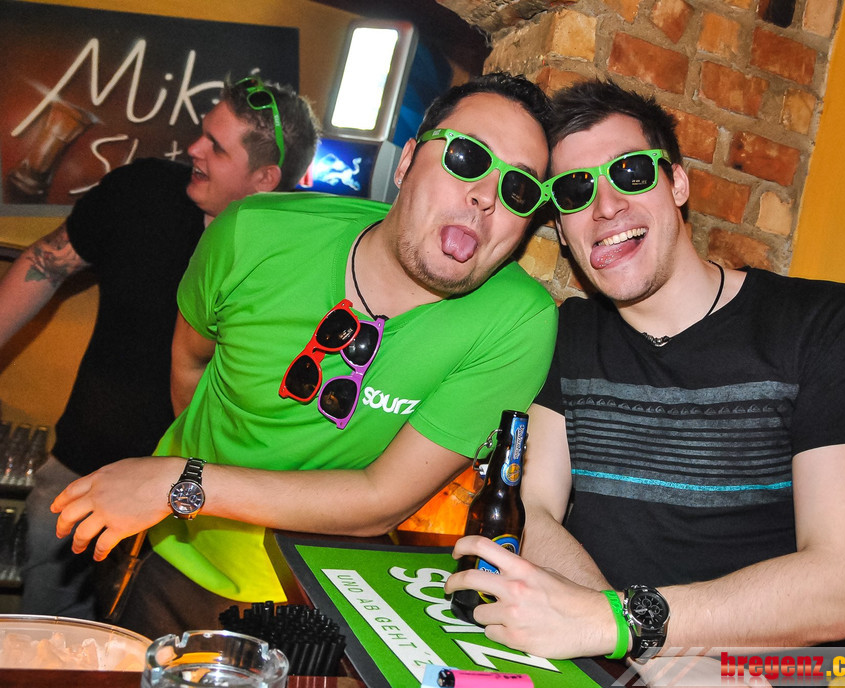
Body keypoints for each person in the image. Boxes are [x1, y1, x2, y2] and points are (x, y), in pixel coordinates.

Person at [51, 72, 558, 639]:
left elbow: (382, 498)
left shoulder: (518, 321)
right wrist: (185, 492)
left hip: (326, 593)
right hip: (182, 560)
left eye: (519, 188)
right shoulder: (252, 233)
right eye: (466, 157)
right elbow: (190, 364)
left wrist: (184, 482)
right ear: (406, 162)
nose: (486, 195)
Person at [445, 80, 845, 664]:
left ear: (678, 184)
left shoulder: (825, 324)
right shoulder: (572, 336)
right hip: (603, 660)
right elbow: (530, 509)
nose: (605, 206)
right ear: (560, 228)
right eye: (574, 190)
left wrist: (621, 625)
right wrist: (633, 644)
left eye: (631, 173)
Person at [0, 74, 319, 620]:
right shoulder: (142, 191)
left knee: (146, 648)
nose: (193, 149)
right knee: (42, 638)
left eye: (217, 147)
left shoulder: (300, 256)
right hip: (82, 475)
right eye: (202, 133)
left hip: (198, 513)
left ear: (264, 178)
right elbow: (45, 264)